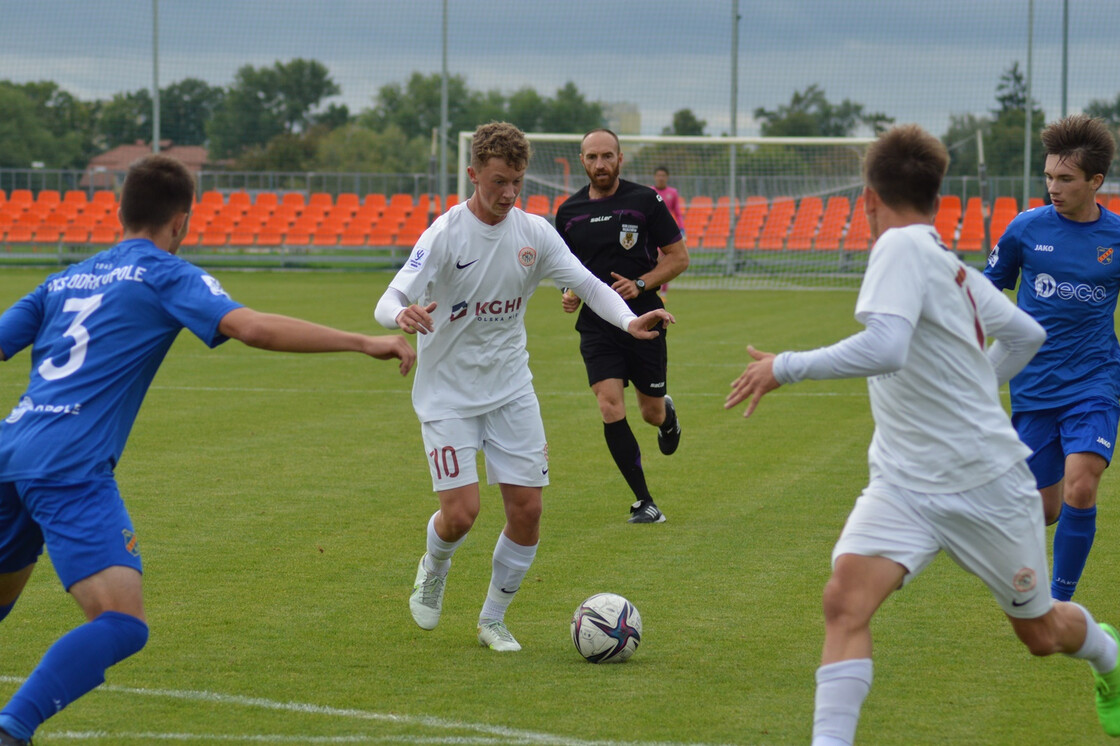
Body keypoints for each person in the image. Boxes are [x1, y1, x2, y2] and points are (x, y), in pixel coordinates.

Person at [724, 124, 1120, 744]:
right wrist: (979, 383)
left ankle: (1110, 660)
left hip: (983, 483)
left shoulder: (901, 249)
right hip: (904, 482)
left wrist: (785, 366)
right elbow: (1026, 336)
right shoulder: (944, 260)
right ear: (938, 196)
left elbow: (886, 345)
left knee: (1041, 635)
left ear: (868, 198)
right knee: (844, 602)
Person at [0, 155, 415, 746]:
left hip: (9, 450)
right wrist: (361, 341)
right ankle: (13, 729)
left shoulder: (63, 279)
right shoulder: (163, 273)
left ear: (120, 210)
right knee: (121, 622)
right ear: (182, 220)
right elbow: (252, 327)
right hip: (68, 465)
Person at [374, 122, 673, 651]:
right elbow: (389, 296)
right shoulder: (444, 234)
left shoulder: (533, 232)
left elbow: (587, 285)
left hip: (511, 391)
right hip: (447, 395)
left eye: (516, 182)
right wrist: (402, 314)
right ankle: (435, 565)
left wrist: (629, 323)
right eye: (497, 183)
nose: (509, 194)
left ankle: (492, 619)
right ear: (473, 175)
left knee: (528, 512)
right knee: (462, 514)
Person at [984, 113, 1120, 602]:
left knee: (1083, 485)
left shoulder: (1116, 239)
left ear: (1095, 182)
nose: (1053, 188)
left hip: (1094, 382)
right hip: (1035, 387)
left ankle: (1060, 603)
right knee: (1044, 510)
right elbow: (986, 289)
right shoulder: (1025, 229)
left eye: (1065, 179)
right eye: (1048, 177)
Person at [555, 129, 689, 524]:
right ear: (583, 161)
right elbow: (566, 269)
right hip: (597, 325)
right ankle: (644, 501)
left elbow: (679, 258)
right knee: (609, 405)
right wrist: (569, 292)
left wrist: (642, 283)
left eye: (607, 156)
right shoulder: (568, 213)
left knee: (649, 413)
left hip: (645, 317)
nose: (600, 164)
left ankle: (667, 415)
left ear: (620, 158)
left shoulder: (645, 200)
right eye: (593, 157)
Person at [651, 166, 686, 295]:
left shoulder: (673, 193)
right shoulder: (650, 192)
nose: (661, 178)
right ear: (655, 177)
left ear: (667, 177)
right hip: (652, 232)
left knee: (666, 262)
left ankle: (664, 292)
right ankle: (651, 286)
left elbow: (678, 213)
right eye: (658, 175)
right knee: (653, 261)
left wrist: (682, 230)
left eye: (663, 175)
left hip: (666, 232)